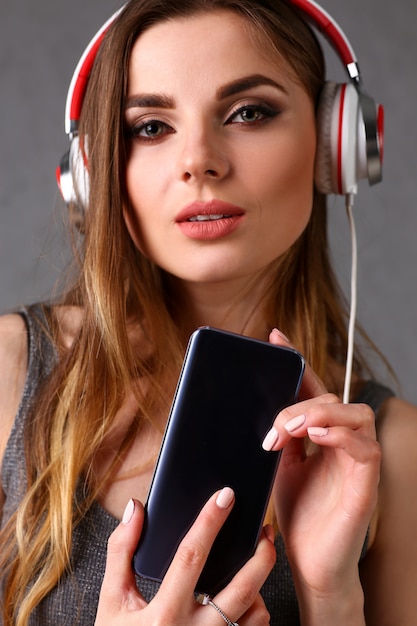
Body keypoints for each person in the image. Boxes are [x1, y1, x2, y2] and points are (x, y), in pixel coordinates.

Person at [1, 0, 417, 624]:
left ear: (337, 144)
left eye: (249, 112)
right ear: (95, 172)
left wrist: (330, 594)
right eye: (149, 126)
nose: (199, 159)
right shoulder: (9, 373)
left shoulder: (392, 447)